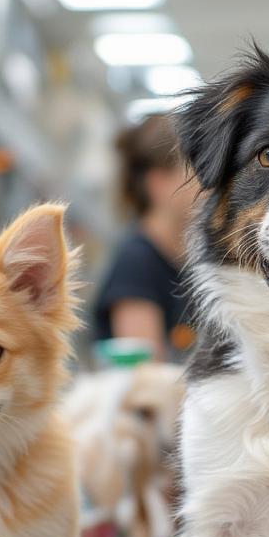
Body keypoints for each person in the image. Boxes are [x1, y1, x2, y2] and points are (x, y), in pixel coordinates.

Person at [94, 114, 198, 360]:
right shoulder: (136, 263)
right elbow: (145, 374)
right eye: (196, 169)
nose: (209, 182)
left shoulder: (188, 260)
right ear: (158, 183)